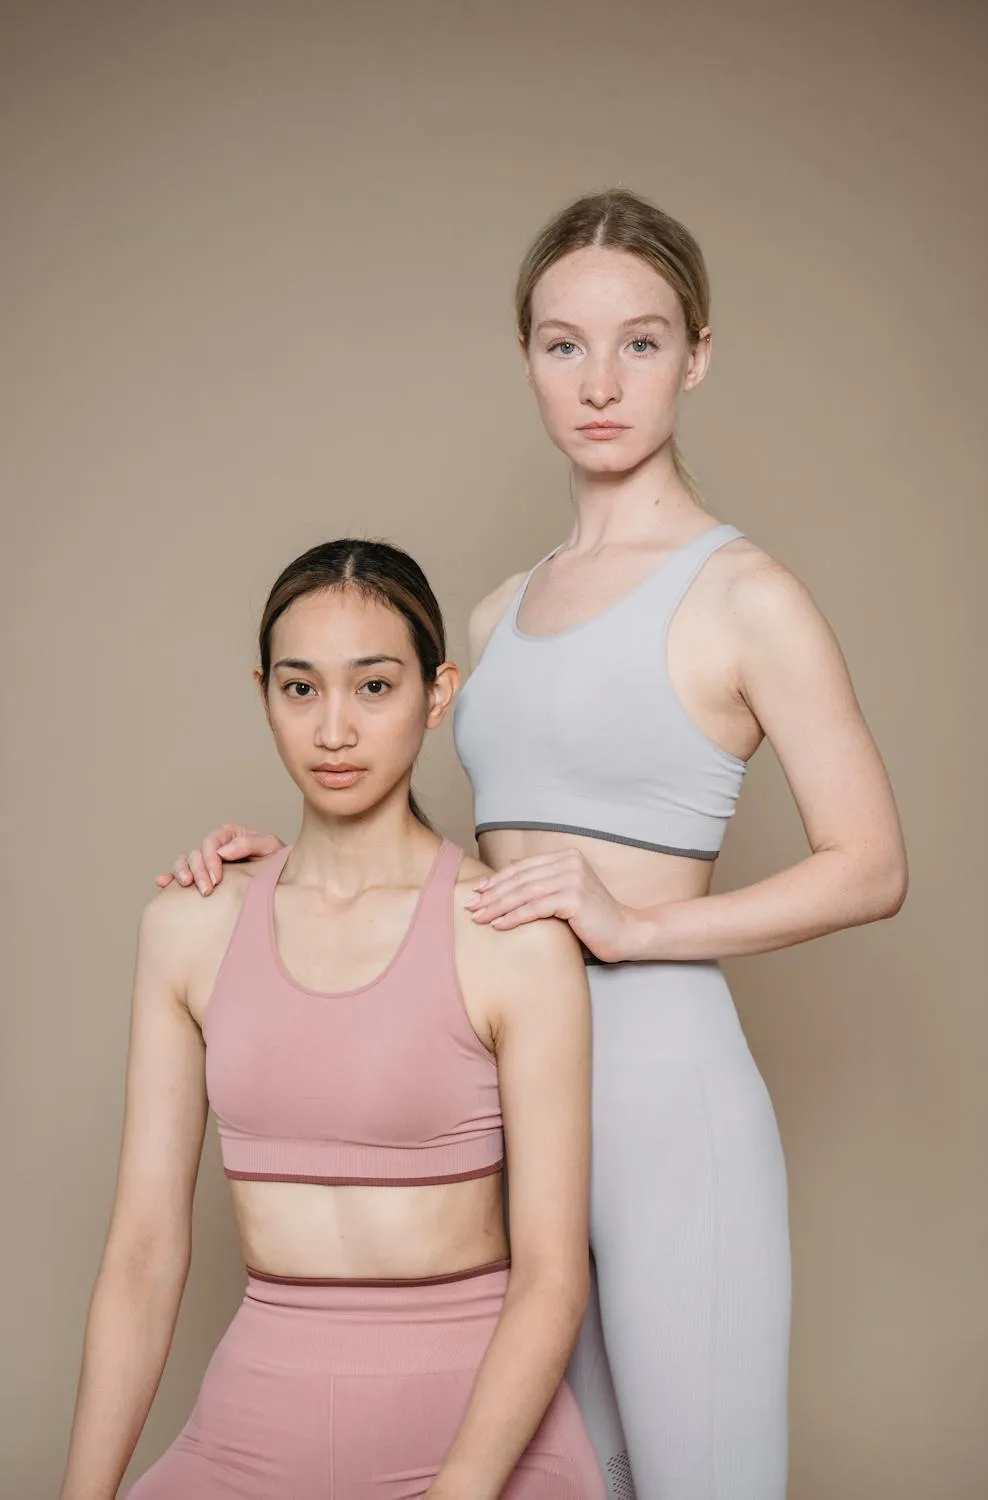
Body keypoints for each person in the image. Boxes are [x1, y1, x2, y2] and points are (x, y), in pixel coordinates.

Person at [160, 190, 908, 1500]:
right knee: (567, 1478)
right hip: (500, 1107)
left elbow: (873, 864)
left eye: (642, 341)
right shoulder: (500, 615)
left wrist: (642, 928)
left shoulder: (748, 595)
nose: (602, 382)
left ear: (700, 354)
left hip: (669, 1097)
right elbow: (455, 863)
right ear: (527, 362)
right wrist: (279, 873)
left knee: (700, 1483)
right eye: (565, 345)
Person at [59, 539, 606, 1500]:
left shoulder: (511, 938)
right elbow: (144, 1255)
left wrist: (462, 1490)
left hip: (475, 1436)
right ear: (263, 692)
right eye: (301, 689)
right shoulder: (189, 929)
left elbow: (554, 1277)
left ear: (438, 698)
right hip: (250, 1426)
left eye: (375, 687)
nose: (335, 730)